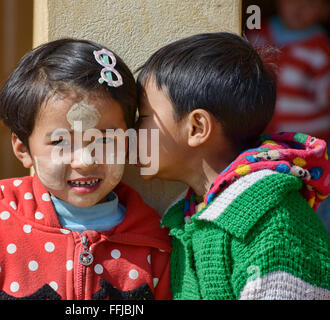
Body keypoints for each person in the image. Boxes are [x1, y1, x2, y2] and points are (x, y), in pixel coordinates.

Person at [0, 38, 171, 300]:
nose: (86, 161)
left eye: (104, 139)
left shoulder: (154, 244)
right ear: (23, 149)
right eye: (61, 142)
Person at [136, 32, 330, 300]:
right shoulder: (185, 217)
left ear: (197, 127)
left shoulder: (272, 222)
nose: (133, 130)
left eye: (144, 116)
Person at [246, 0, 330, 233]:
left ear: (325, 12)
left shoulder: (319, 48)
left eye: (313, 4)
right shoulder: (256, 34)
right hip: (267, 143)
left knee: (317, 202)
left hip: (312, 146)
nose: (301, 8)